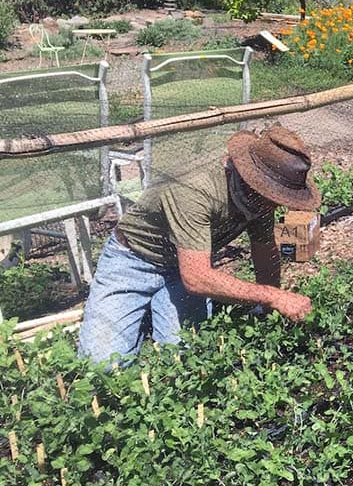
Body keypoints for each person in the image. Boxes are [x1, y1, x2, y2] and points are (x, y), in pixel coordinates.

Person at [78, 124, 320, 364]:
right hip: (134, 260)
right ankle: (136, 308)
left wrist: (270, 307)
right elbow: (197, 278)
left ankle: (148, 310)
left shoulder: (258, 197)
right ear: (251, 179)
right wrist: (271, 296)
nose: (276, 204)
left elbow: (264, 249)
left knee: (184, 358)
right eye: (274, 195)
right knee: (102, 367)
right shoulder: (195, 188)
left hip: (183, 266)